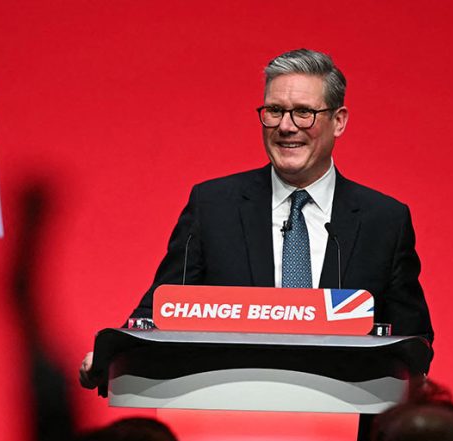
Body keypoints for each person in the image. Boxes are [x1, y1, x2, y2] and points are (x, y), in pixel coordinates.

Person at [81, 48, 433, 388]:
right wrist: (114, 355)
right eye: (275, 111)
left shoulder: (383, 221)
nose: (286, 126)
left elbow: (413, 339)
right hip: (229, 410)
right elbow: (160, 309)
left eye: (303, 113)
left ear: (338, 121)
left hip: (347, 413)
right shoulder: (213, 207)